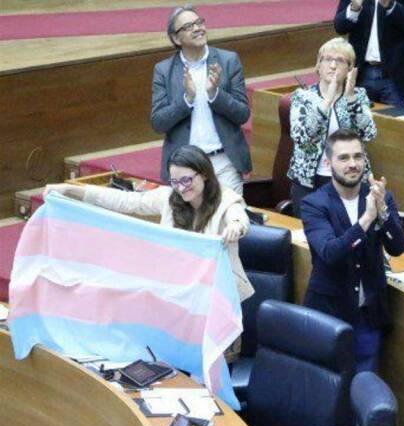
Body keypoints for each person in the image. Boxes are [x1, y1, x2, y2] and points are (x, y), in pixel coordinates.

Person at [44, 146, 255, 304]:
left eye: (187, 181)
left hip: (216, 300)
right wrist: (69, 190)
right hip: (176, 294)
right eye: (175, 181)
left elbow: (239, 218)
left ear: (205, 174)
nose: (181, 189)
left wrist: (235, 227)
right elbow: (124, 201)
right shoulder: (169, 197)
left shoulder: (226, 199)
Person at [301, 128, 404, 373]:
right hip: (328, 313)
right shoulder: (314, 204)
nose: (353, 164)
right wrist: (366, 220)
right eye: (344, 158)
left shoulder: (381, 197)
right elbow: (330, 253)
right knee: (327, 387)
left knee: (364, 387)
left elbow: (397, 247)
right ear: (328, 163)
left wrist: (383, 214)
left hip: (367, 314)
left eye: (358, 157)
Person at [151, 5, 252, 195]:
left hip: (224, 162)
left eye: (199, 22)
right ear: (175, 38)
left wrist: (216, 95)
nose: (198, 28)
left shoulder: (229, 60)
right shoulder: (164, 70)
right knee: (187, 224)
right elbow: (158, 123)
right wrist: (186, 99)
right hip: (185, 166)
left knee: (229, 219)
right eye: (189, 26)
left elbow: (243, 114)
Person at [288, 37, 377, 218]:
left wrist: (351, 98)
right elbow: (301, 137)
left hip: (350, 180)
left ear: (350, 70)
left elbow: (369, 133)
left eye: (341, 61)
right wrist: (325, 103)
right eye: (328, 59)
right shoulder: (303, 97)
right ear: (318, 66)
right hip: (310, 182)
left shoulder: (358, 96)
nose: (333, 66)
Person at [333, 0, 404, 107]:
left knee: (399, 122)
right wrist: (354, 9)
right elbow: (340, 26)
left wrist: (391, 5)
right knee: (360, 121)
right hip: (361, 73)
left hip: (398, 75)